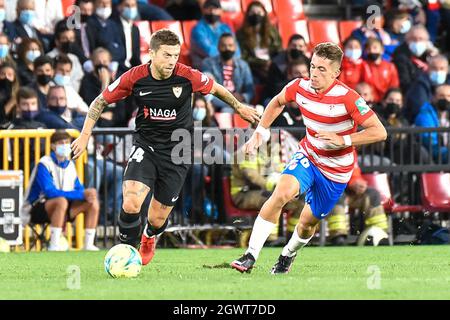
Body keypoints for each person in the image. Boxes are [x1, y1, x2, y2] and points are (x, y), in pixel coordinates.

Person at [71, 29, 259, 266]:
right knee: (130, 201)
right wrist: (85, 135)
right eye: (166, 55)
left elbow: (216, 88)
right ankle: (127, 254)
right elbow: (100, 101)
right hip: (146, 146)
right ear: (151, 54)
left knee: (158, 218)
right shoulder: (135, 77)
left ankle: (149, 237)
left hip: (178, 151)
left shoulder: (187, 75)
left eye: (175, 55)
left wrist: (239, 107)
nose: (172, 61)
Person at [230, 42, 387, 274]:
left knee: (306, 224)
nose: (314, 73)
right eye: (312, 66)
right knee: (281, 193)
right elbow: (276, 102)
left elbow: (379, 132)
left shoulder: (348, 98)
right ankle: (250, 255)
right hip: (309, 156)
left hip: (336, 171)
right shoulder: (299, 87)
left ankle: (287, 255)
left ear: (336, 73)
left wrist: (342, 140)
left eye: (322, 69)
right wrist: (259, 134)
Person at [23, 130, 100, 251]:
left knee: (92, 202)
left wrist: (87, 194)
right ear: (52, 146)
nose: (65, 145)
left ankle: (88, 245)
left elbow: (79, 188)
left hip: (63, 208)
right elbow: (49, 192)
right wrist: (81, 194)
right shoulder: (44, 164)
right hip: (36, 208)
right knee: (61, 201)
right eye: (61, 143)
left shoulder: (70, 165)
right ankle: (54, 245)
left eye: (67, 142)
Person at [326, 157, 389, 245]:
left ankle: (380, 235)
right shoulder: (320, 149)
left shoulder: (350, 150)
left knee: (372, 194)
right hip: (327, 191)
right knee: (336, 194)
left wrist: (357, 182)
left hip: (349, 192)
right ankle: (338, 237)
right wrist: (350, 182)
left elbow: (354, 171)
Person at [201, 33, 254, 113]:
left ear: (235, 47)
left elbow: (250, 90)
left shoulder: (243, 65)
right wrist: (231, 101)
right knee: (226, 111)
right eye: (224, 46)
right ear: (218, 47)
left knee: (258, 111)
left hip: (240, 103)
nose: (227, 48)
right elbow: (208, 91)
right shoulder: (208, 63)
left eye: (230, 45)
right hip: (219, 103)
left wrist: (242, 96)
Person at [236, 0, 282, 83]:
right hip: (253, 67)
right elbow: (244, 56)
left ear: (264, 14)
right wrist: (262, 63)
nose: (256, 14)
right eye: (253, 12)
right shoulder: (241, 34)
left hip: (272, 64)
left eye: (259, 12)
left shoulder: (272, 31)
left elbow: (278, 49)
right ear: (248, 14)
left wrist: (271, 63)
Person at [190, 0, 240, 69]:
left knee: (243, 66)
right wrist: (227, 56)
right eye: (209, 9)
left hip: (226, 63)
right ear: (203, 10)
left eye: (215, 9)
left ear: (220, 11)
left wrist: (231, 60)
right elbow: (209, 52)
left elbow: (237, 50)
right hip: (205, 66)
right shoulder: (198, 29)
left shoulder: (225, 28)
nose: (212, 12)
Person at [263, 34, 309, 104]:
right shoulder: (277, 63)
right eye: (294, 45)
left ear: (305, 48)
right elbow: (274, 89)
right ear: (288, 47)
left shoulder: (309, 62)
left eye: (300, 46)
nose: (297, 49)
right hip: (276, 97)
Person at [392, 24, 439, 93]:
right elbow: (405, 83)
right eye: (413, 39)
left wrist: (435, 58)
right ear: (407, 40)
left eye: (421, 39)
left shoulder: (428, 55)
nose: (417, 42)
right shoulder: (401, 57)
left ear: (427, 42)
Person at [405, 54, 449, 122]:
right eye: (434, 68)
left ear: (447, 70)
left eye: (442, 68)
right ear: (428, 68)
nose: (438, 72)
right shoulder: (419, 84)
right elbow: (421, 109)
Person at [415, 84, 450, 163]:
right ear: (434, 98)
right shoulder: (425, 114)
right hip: (432, 154)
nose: (446, 99)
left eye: (449, 96)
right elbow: (429, 142)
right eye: (441, 96)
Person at [361, 37, 399, 103]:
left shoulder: (390, 66)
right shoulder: (363, 65)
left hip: (386, 102)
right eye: (369, 49)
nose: (372, 51)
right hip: (368, 102)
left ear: (382, 50)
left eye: (375, 48)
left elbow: (394, 86)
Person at [0, 62, 19, 127]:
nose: (6, 77)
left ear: (14, 78)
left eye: (10, 75)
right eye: (2, 74)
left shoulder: (18, 92)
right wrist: (11, 103)